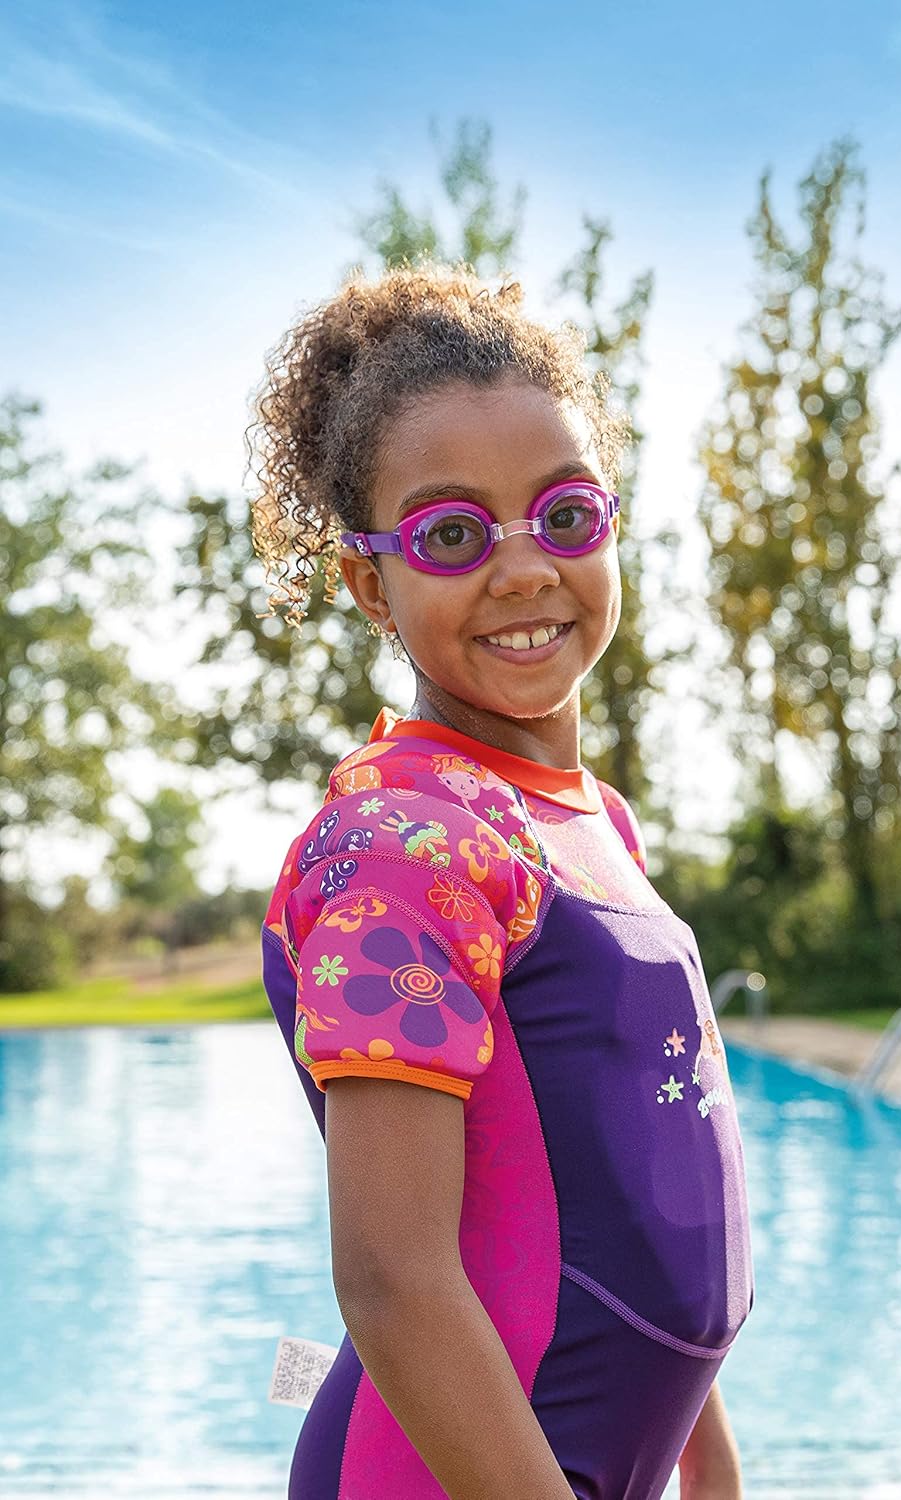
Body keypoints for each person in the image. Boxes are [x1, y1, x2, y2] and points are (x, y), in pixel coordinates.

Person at [252, 265, 754, 1500]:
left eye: (565, 514)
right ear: (369, 582)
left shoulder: (589, 823)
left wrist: (709, 1459)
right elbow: (394, 1278)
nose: (525, 570)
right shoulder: (403, 847)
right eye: (451, 534)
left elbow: (625, 1188)